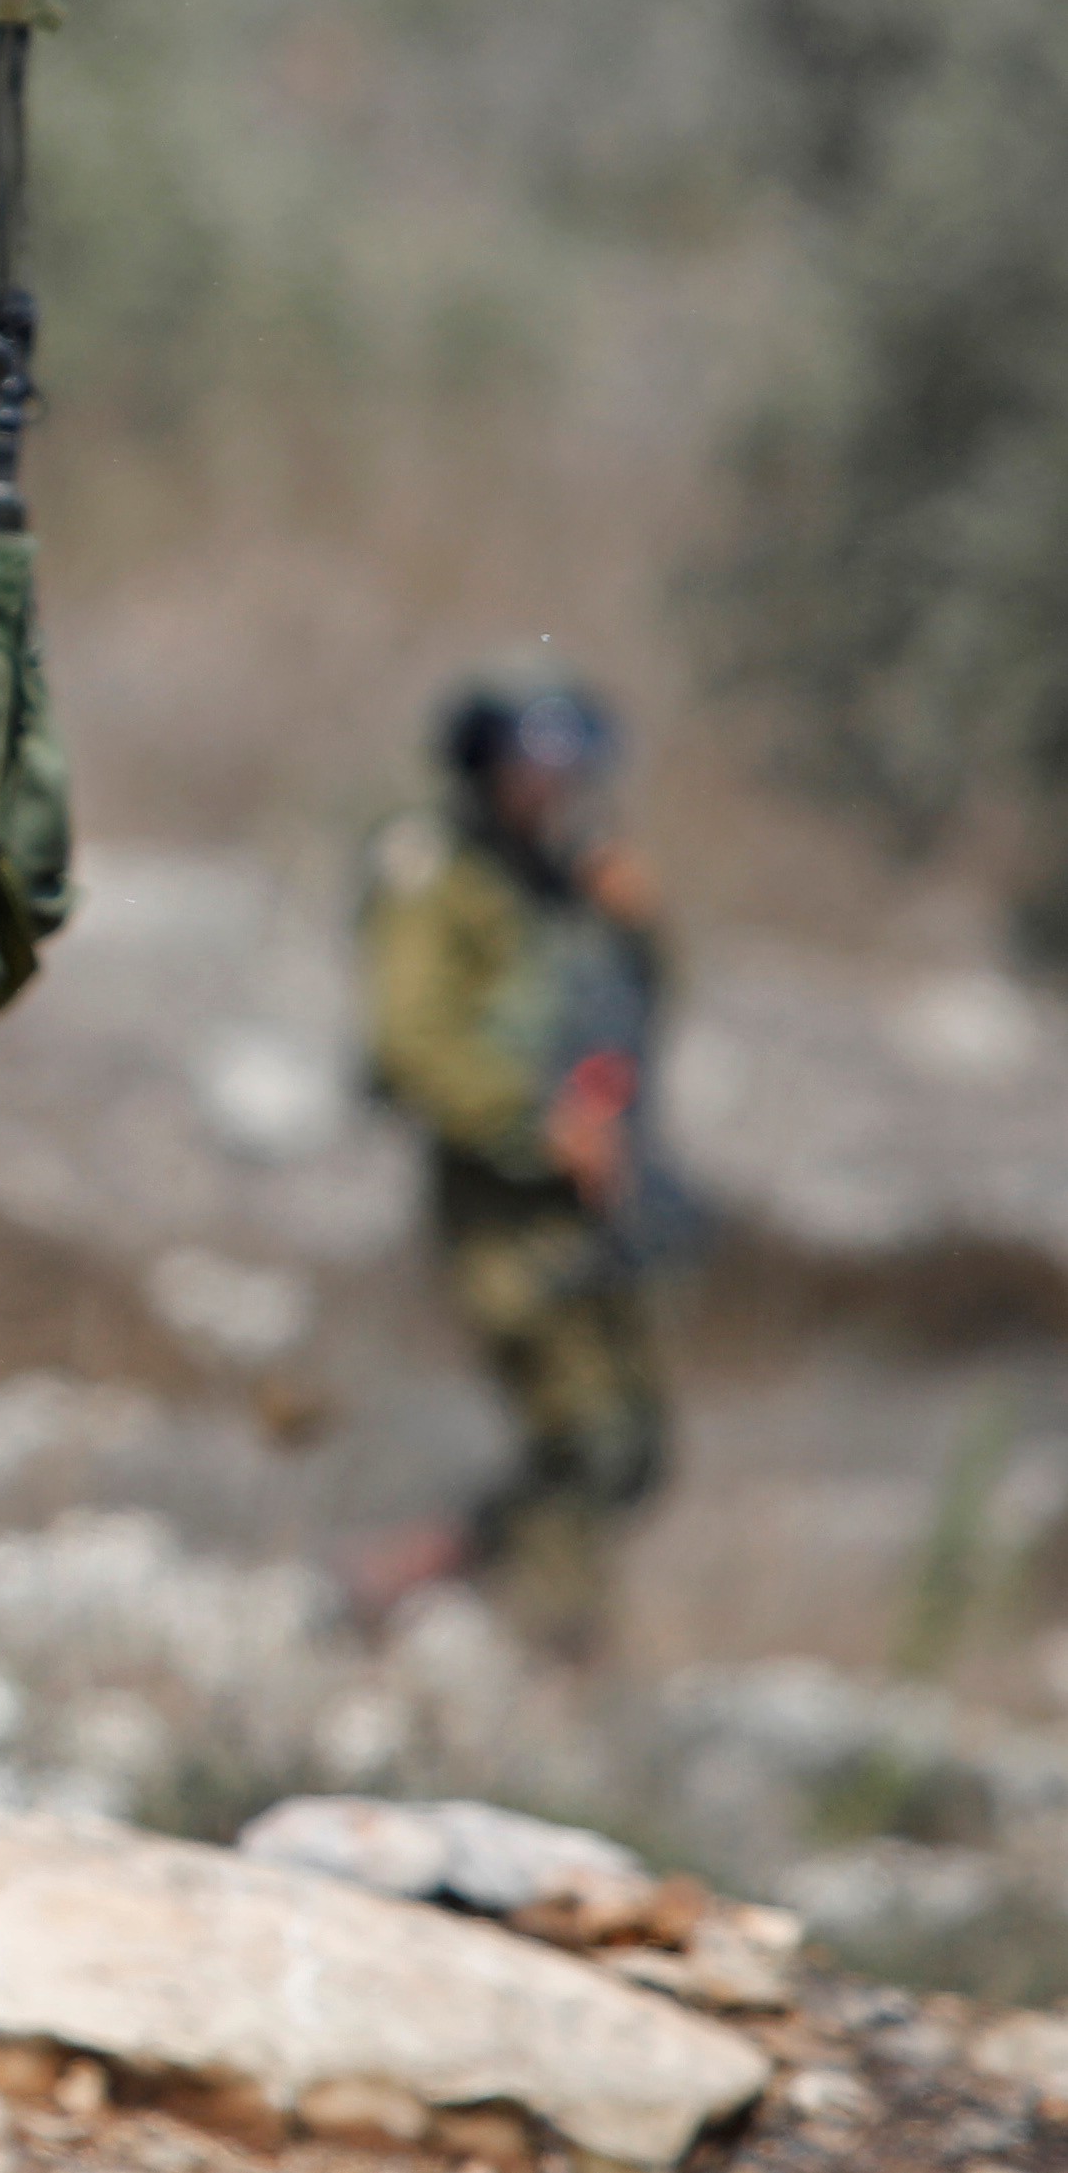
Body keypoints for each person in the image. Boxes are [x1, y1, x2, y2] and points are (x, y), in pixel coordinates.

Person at [356, 656, 681, 1658]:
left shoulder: (569, 878)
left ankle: (404, 1577)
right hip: (497, 1202)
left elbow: (632, 1012)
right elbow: (411, 1044)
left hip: (590, 1196)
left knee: (631, 1447)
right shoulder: (435, 873)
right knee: (581, 1435)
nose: (553, 793)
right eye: (532, 772)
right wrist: (538, 1124)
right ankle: (554, 1646)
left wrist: (638, 925)